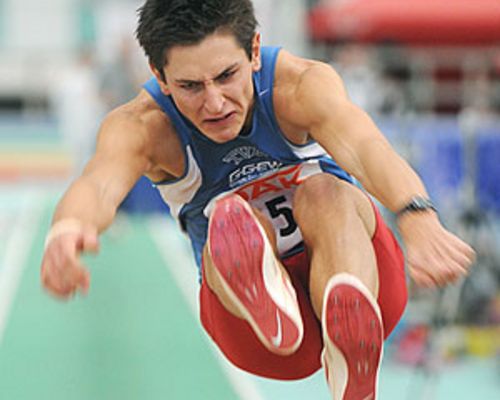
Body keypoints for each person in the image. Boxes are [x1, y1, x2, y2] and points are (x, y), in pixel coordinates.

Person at [40, 1, 475, 399]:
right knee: (230, 217)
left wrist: (417, 215)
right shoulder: (143, 125)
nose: (215, 103)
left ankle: (350, 346)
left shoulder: (300, 85)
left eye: (227, 76)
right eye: (191, 85)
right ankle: (264, 292)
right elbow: (97, 183)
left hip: (361, 274)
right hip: (253, 332)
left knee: (326, 190)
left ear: (254, 51)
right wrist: (68, 228)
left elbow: (365, 146)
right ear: (159, 76)